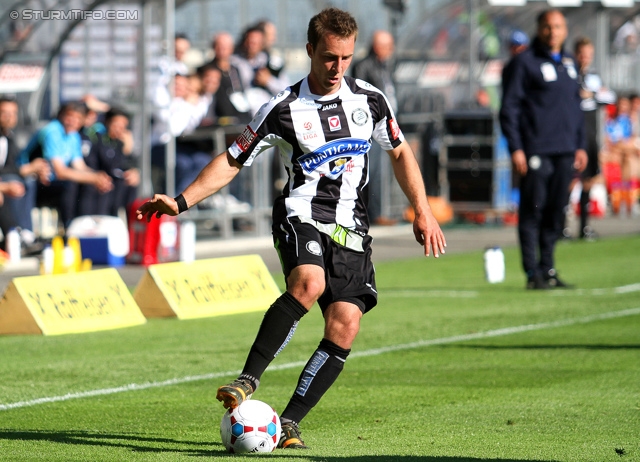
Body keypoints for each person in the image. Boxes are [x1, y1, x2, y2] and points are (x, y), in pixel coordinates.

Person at [137, 7, 446, 449]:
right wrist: (181, 201)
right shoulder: (283, 108)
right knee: (309, 282)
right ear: (310, 51)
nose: (337, 68)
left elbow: (399, 152)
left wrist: (423, 209)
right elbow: (232, 160)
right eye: (328, 58)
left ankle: (289, 423)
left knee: (345, 326)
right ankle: (247, 380)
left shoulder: (371, 100)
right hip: (300, 214)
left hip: (351, 228)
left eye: (345, 58)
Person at [499, 9, 587, 290]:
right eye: (548, 27)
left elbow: (576, 108)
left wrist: (580, 146)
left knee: (555, 211)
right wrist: (516, 148)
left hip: (565, 150)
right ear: (539, 29)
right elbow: (509, 109)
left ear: (565, 29)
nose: (553, 32)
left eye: (558, 26)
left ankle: (548, 268)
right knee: (532, 211)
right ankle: (531, 272)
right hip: (535, 149)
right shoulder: (524, 62)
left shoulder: (570, 62)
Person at [20, 101, 113, 228]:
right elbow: (60, 171)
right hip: (31, 179)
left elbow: (79, 166)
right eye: (70, 116)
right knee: (71, 184)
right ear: (61, 115)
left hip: (52, 180)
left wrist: (99, 177)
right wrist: (93, 178)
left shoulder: (73, 136)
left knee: (98, 183)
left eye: (78, 118)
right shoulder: (52, 131)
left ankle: (92, 226)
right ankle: (70, 227)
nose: (73, 121)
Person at [352, 30, 398, 225]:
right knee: (371, 171)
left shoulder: (386, 66)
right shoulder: (364, 66)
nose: (389, 50)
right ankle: (372, 213)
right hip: (371, 128)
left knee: (381, 171)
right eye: (386, 46)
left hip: (387, 124)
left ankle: (378, 211)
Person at [572, 37, 616, 238]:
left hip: (590, 130)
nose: (585, 58)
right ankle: (561, 227)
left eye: (588, 54)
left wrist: (592, 94)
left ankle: (584, 227)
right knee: (571, 178)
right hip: (572, 129)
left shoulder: (593, 77)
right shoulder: (569, 74)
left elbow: (609, 96)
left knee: (589, 178)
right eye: (582, 53)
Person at [0, 96, 49, 245]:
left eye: (13, 113)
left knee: (28, 180)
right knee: (13, 182)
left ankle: (26, 233)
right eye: (4, 113)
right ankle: (13, 233)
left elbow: (9, 166)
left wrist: (36, 170)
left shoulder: (9, 137)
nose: (10, 118)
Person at [78, 107, 140, 217]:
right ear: (107, 122)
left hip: (113, 182)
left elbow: (125, 165)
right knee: (106, 185)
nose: (119, 129)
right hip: (96, 178)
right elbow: (104, 164)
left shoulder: (120, 143)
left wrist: (133, 171)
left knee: (129, 183)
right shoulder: (97, 137)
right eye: (116, 125)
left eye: (123, 126)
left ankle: (129, 222)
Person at [198, 32, 252, 125]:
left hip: (240, 117)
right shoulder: (206, 70)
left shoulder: (235, 69)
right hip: (216, 118)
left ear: (231, 48)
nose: (222, 49)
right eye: (219, 45)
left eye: (225, 46)